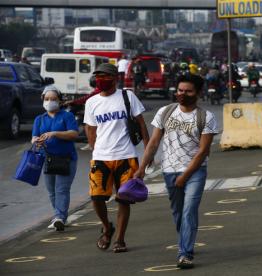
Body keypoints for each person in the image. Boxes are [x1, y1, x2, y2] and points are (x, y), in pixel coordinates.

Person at [134, 74, 218, 269]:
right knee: (178, 213)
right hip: (169, 170)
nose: (183, 94)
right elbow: (154, 143)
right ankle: (185, 240)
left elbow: (203, 151)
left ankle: (185, 253)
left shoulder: (206, 117)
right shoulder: (165, 112)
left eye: (188, 91)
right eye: (180, 90)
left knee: (189, 210)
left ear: (197, 93)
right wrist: (141, 169)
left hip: (195, 171)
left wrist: (185, 176)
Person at [83, 63, 150, 253]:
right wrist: (95, 148)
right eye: (98, 76)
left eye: (104, 76)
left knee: (124, 199)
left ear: (115, 79)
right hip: (100, 158)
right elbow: (90, 128)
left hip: (126, 156)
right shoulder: (92, 102)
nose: (100, 80)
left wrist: (147, 152)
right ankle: (106, 227)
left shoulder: (127, 96)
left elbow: (142, 125)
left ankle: (120, 239)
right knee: (96, 198)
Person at [32, 85, 79, 231]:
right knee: (52, 190)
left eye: (53, 99)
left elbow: (74, 134)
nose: (49, 101)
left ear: (59, 101)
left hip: (66, 159)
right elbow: (33, 137)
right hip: (47, 159)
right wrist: (36, 141)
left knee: (62, 189)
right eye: (47, 99)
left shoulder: (67, 116)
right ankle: (59, 215)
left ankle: (60, 217)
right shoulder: (39, 119)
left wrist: (54, 133)